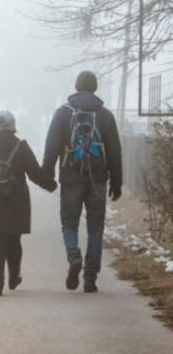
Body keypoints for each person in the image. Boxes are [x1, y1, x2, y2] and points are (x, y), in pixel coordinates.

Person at [42, 71, 122, 293]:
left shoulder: (62, 114)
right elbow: (115, 152)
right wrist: (117, 181)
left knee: (69, 223)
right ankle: (90, 278)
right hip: (97, 179)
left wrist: (47, 173)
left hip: (70, 178)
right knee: (95, 228)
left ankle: (73, 256)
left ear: (76, 87)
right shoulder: (105, 115)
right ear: (95, 88)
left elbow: (51, 146)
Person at [0, 111, 57, 296]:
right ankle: (14, 275)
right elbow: (34, 172)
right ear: (12, 125)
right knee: (14, 239)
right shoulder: (20, 146)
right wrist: (51, 185)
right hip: (15, 200)